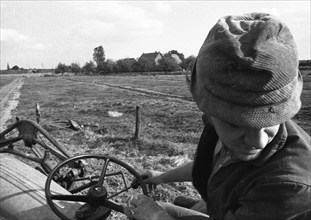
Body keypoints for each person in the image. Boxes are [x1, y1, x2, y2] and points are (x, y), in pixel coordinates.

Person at [124, 12, 311, 220]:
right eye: (235, 124)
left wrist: (156, 218)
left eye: (270, 121)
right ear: (210, 112)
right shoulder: (219, 114)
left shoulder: (287, 189)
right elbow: (214, 162)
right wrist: (160, 178)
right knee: (163, 207)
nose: (257, 142)